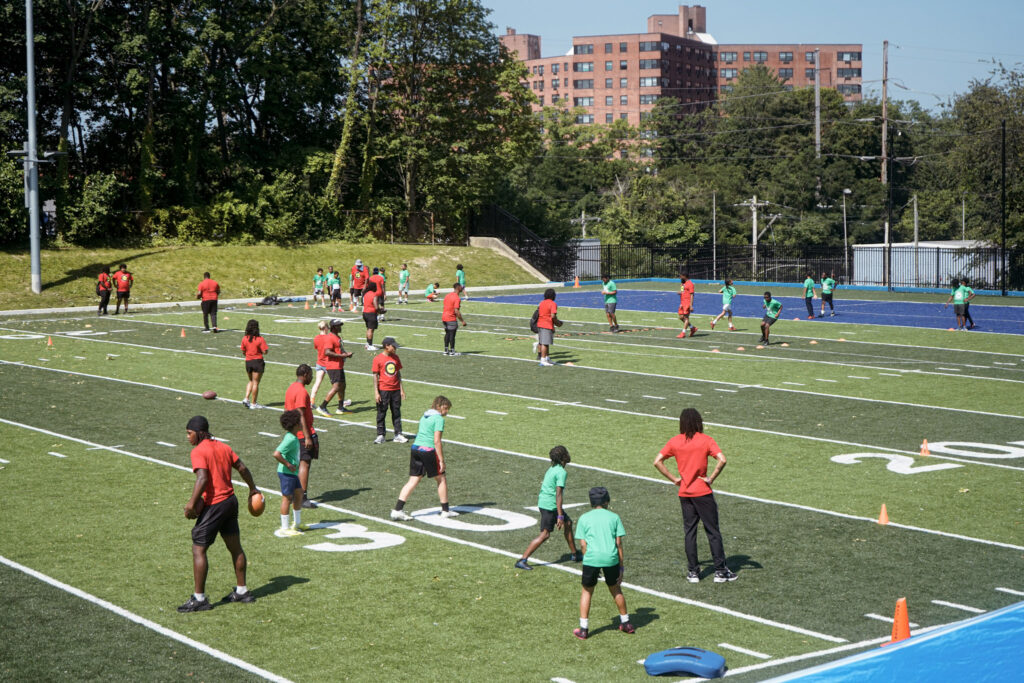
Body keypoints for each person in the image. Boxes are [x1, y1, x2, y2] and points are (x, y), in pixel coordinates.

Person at [179, 415, 259, 612]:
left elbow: (203, 478)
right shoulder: (224, 447)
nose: (188, 437)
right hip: (231, 502)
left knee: (199, 549)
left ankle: (199, 599)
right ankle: (242, 591)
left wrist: (191, 504)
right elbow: (241, 467)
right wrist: (253, 489)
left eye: (189, 433)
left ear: (199, 433)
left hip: (215, 505)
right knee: (235, 547)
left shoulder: (199, 451)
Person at [653, 408, 737, 584]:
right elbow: (722, 459)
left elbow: (657, 461)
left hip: (685, 492)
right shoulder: (706, 440)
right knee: (712, 531)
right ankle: (720, 571)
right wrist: (711, 478)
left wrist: (674, 479)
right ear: (699, 422)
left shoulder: (675, 441)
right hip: (703, 492)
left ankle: (693, 572)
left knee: (689, 532)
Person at [572, 486, 635, 639]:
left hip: (592, 558)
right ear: (607, 501)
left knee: (587, 591)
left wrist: (588, 560)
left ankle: (584, 629)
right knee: (615, 589)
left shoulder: (584, 518)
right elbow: (618, 543)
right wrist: (621, 566)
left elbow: (583, 545)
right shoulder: (614, 517)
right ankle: (626, 623)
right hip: (611, 558)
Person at [390, 396, 459, 521]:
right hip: (429, 451)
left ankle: (398, 509)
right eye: (446, 408)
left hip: (416, 448)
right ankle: (445, 510)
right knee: (441, 479)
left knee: (413, 480)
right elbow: (437, 441)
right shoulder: (438, 419)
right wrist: (441, 460)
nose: (447, 412)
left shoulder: (424, 416)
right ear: (440, 406)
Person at [514, 446, 581, 570]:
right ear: (563, 457)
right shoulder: (561, 472)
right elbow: (558, 494)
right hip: (550, 506)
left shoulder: (553, 468)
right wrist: (560, 515)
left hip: (546, 503)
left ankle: (575, 554)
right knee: (545, 535)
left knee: (568, 523)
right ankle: (522, 560)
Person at [285, 364, 321, 510]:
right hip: (302, 433)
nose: (312, 378)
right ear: (305, 374)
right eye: (311, 375)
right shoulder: (301, 391)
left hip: (293, 433)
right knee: (304, 464)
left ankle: (295, 493)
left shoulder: (291, 388)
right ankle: (302, 497)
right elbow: (301, 415)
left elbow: (286, 411)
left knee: (298, 464)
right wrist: (307, 436)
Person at [272, 409, 305, 536]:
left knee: (299, 493)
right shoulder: (290, 439)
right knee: (287, 498)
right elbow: (276, 453)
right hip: (286, 473)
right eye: (300, 422)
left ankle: (297, 523)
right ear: (296, 424)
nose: (302, 424)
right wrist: (288, 464)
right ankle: (284, 527)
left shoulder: (293, 437)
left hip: (292, 473)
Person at [314, 319, 353, 416]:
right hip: (333, 366)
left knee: (342, 386)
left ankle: (340, 408)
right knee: (336, 387)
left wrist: (346, 354)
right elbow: (327, 352)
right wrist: (342, 356)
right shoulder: (330, 338)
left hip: (338, 365)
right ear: (334, 327)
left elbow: (338, 350)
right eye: (339, 326)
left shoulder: (336, 337)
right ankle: (322, 406)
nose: (340, 327)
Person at [372, 337, 407, 444]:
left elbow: (398, 374)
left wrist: (402, 390)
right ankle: (381, 435)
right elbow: (375, 376)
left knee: (396, 412)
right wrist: (376, 392)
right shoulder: (378, 359)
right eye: (393, 346)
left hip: (395, 389)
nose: (395, 348)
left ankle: (398, 434)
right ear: (387, 346)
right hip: (384, 390)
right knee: (381, 412)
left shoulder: (396, 358)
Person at [240, 319, 269, 409]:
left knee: (251, 381)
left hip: (248, 361)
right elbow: (265, 352)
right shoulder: (260, 339)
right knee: (256, 382)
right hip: (258, 362)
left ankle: (246, 398)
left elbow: (243, 351)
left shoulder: (245, 338)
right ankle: (253, 403)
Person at [536, 288, 562, 366]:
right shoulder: (552, 303)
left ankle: (547, 358)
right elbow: (553, 316)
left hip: (540, 324)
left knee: (544, 342)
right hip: (546, 324)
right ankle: (543, 360)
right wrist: (558, 323)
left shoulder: (542, 303)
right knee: (545, 343)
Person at [442, 283, 467, 356]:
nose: (462, 288)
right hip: (451, 318)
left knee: (447, 333)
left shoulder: (447, 295)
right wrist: (462, 321)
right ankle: (452, 351)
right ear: (458, 288)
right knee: (452, 335)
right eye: (461, 287)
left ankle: (446, 350)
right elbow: (456, 311)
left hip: (444, 317)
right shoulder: (456, 298)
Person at [362, 281, 381, 350]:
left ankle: (367, 344)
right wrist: (381, 311)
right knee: (371, 329)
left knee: (368, 329)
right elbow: (376, 306)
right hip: (371, 313)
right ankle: (370, 345)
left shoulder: (366, 294)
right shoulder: (374, 295)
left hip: (365, 312)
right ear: (373, 288)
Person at [677, 274, 696, 338]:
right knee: (681, 317)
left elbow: (692, 295)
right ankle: (692, 328)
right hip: (682, 303)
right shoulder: (683, 284)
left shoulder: (690, 284)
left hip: (687, 303)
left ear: (685, 276)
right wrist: (680, 293)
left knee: (686, 318)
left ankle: (683, 333)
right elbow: (682, 291)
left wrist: (691, 305)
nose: (680, 277)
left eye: (681, 276)